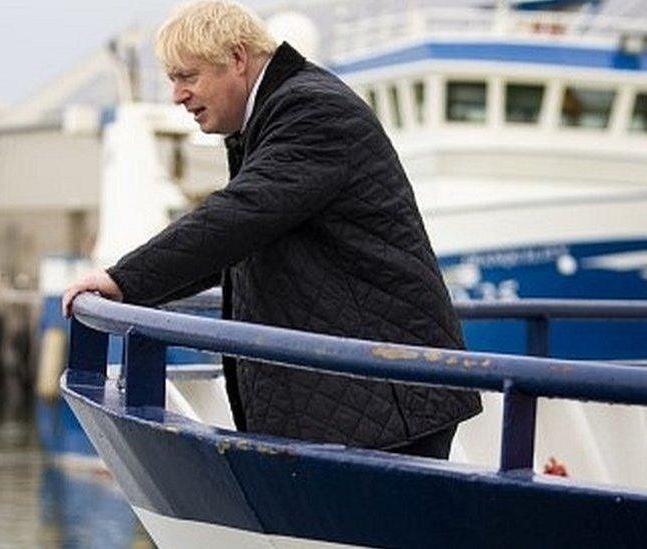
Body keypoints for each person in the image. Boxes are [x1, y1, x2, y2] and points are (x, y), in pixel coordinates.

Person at [62, 0, 481, 458]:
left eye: (188, 76)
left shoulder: (310, 110)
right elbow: (249, 227)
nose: (177, 95)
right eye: (173, 79)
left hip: (386, 397)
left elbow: (241, 216)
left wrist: (122, 281)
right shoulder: (273, 113)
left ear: (237, 59)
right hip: (367, 391)